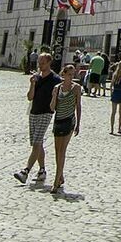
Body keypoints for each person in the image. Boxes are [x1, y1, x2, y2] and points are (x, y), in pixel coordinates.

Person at [15, 52, 59, 185]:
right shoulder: (37, 78)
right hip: (34, 111)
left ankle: (25, 171)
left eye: (43, 63)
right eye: (39, 63)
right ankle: (42, 170)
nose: (40, 65)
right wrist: (32, 84)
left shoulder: (55, 79)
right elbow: (30, 97)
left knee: (36, 142)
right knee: (37, 143)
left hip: (46, 113)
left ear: (49, 63)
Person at [49, 62, 81, 195]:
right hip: (58, 120)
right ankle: (60, 175)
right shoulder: (57, 88)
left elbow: (78, 106)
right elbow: (52, 107)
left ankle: (56, 181)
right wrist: (55, 95)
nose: (71, 77)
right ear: (64, 74)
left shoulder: (76, 88)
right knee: (57, 151)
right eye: (69, 74)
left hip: (69, 121)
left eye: (73, 74)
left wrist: (78, 123)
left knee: (62, 150)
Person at [109, 60, 121, 135]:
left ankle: (111, 129)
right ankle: (119, 128)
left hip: (115, 93)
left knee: (113, 112)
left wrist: (111, 93)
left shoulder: (115, 74)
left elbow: (111, 85)